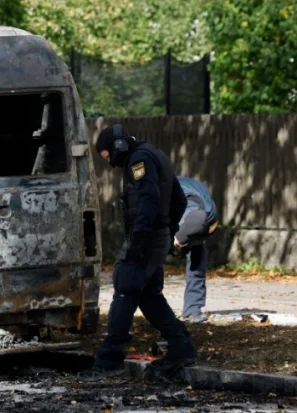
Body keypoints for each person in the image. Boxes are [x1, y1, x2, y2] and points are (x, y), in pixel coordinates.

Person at [78, 125, 196, 383]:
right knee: (148, 297)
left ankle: (109, 361)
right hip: (156, 235)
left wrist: (138, 239)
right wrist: (168, 229)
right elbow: (180, 200)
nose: (110, 163)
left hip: (145, 238)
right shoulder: (155, 154)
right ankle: (181, 348)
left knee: (124, 291)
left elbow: (150, 201)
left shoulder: (138, 160)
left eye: (109, 156)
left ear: (119, 146)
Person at [174, 176, 219, 323]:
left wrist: (184, 240)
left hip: (197, 213)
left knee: (197, 259)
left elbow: (198, 228)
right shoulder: (166, 200)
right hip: (172, 211)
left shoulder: (210, 217)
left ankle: (192, 310)